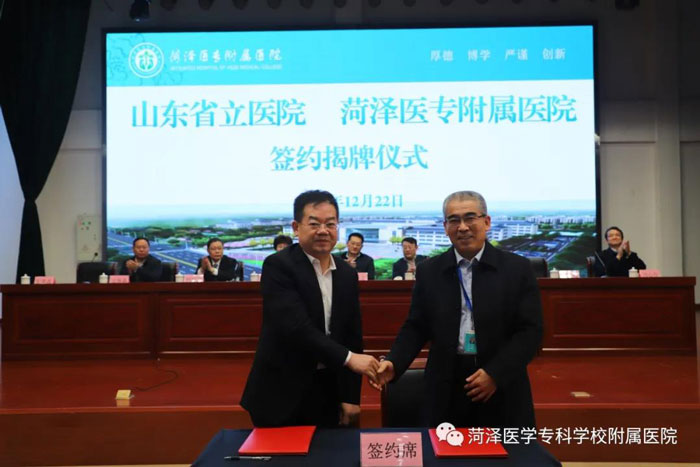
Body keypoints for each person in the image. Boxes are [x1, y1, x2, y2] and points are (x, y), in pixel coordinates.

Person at [374, 191, 543, 429]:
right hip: (446, 383)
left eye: (470, 218)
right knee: (444, 449)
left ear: (487, 222)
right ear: (445, 227)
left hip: (501, 383)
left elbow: (530, 331)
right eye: (454, 220)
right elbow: (417, 326)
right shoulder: (430, 271)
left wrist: (495, 374)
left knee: (506, 450)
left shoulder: (517, 269)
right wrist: (394, 362)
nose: (462, 227)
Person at [241, 190, 379, 427]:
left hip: (329, 389)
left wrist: (350, 396)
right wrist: (348, 359)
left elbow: (352, 335)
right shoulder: (278, 266)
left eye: (330, 224)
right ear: (296, 227)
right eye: (314, 224)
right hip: (282, 391)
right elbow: (296, 328)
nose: (323, 231)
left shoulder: (346, 274)